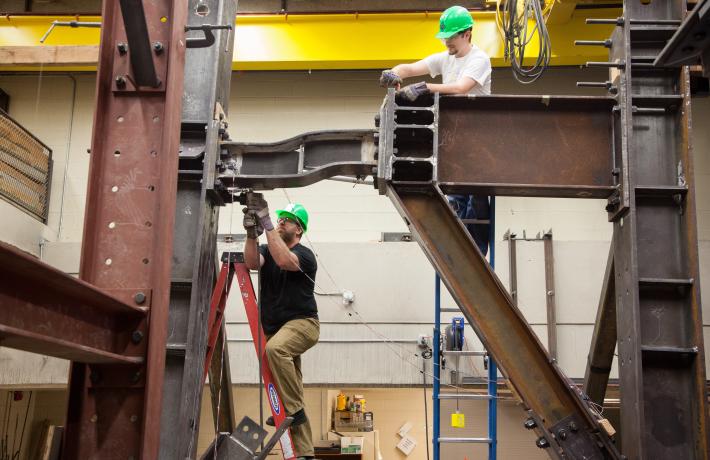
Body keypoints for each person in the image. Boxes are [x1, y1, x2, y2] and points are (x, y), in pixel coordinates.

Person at [379, 5, 492, 255]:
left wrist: (425, 87)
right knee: (454, 199)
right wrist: (394, 72)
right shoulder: (446, 58)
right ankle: (459, 248)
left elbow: (461, 87)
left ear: (467, 34)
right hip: (454, 140)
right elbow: (410, 68)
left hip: (478, 140)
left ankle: (477, 252)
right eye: (445, 38)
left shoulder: (479, 60)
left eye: (451, 37)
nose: (447, 43)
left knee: (476, 202)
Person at [243, 194, 319, 460]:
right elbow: (252, 263)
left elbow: (285, 261)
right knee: (291, 388)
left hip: (303, 324)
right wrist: (252, 234)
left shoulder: (305, 256)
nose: (281, 223)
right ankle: (306, 452)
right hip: (277, 328)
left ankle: (294, 412)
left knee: (275, 351)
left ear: (299, 229)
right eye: (279, 219)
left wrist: (266, 222)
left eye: (286, 221)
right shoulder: (267, 249)